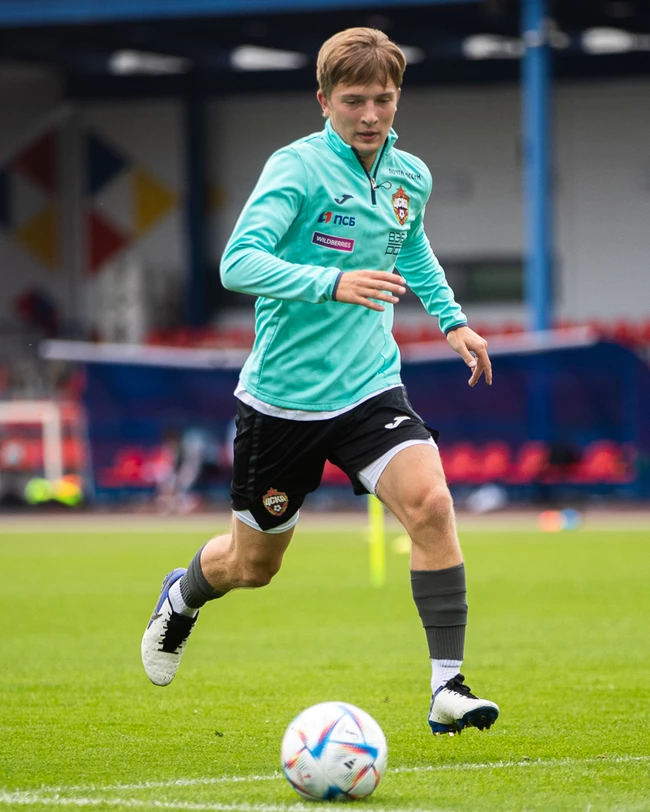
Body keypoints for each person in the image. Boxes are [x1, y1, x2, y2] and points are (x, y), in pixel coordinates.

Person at [142, 27, 499, 737]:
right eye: (355, 100)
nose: (370, 115)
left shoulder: (410, 175)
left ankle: (447, 687)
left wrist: (452, 320)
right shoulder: (296, 169)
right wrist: (331, 281)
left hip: (369, 388)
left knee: (431, 505)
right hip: (283, 401)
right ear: (324, 100)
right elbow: (237, 263)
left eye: (383, 99)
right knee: (252, 566)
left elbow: (409, 244)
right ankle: (181, 596)